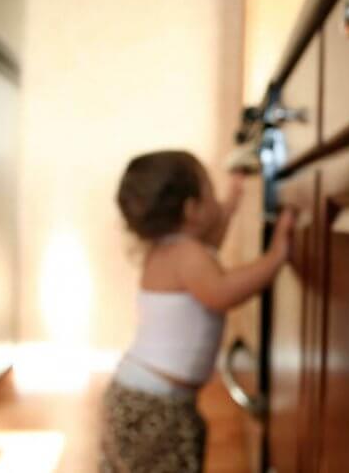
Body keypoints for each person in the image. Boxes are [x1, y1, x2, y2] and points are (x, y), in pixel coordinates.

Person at [100, 150, 294, 472]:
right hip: (155, 406)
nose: (217, 201)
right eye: (210, 191)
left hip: (140, 395)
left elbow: (212, 240)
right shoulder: (188, 256)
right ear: (192, 210)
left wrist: (233, 197)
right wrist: (275, 258)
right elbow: (221, 292)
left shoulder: (172, 251)